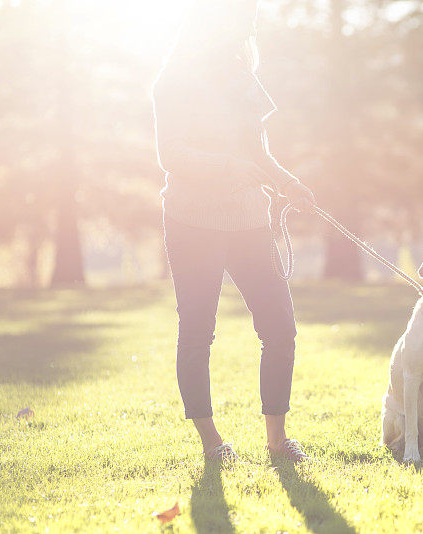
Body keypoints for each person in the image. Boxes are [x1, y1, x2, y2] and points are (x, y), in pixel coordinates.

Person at [152, 0, 315, 464]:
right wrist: (228, 168)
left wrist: (287, 183)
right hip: (191, 221)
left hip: (250, 221)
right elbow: (171, 155)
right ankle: (212, 442)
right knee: (198, 331)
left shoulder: (243, 77)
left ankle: (277, 440)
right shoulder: (173, 82)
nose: (246, 32)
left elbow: (258, 155)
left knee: (280, 327)